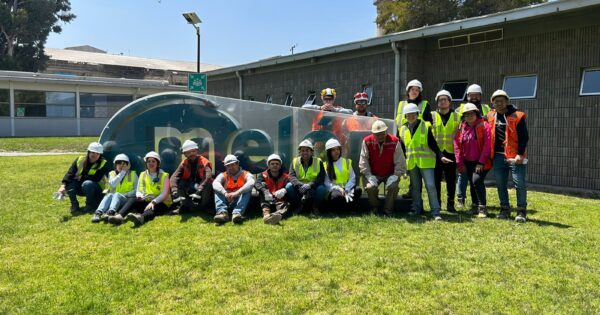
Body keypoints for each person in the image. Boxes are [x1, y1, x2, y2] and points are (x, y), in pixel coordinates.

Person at [399, 104, 451, 220]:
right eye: (409, 114)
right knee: (416, 188)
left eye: (413, 114)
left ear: (417, 115)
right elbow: (402, 148)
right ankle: (417, 209)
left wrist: (441, 156)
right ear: (405, 116)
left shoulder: (425, 126)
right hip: (412, 163)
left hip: (426, 162)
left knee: (431, 186)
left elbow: (433, 143)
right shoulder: (402, 129)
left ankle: (435, 212)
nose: (411, 116)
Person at [488, 90, 529, 223]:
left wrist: (520, 154)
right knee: (500, 184)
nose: (499, 104)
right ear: (493, 103)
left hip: (515, 157)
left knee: (519, 184)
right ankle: (504, 209)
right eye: (496, 101)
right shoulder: (490, 116)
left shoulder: (517, 116)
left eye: (501, 101)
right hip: (498, 157)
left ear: (507, 101)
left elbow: (524, 137)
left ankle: (521, 211)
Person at [109, 151, 171, 226]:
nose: (151, 163)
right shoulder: (143, 174)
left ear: (158, 163)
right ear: (146, 163)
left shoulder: (164, 175)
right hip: (146, 200)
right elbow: (139, 189)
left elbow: (164, 194)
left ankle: (141, 218)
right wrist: (139, 195)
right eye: (148, 161)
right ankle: (119, 216)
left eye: (153, 161)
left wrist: (153, 202)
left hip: (161, 203)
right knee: (133, 199)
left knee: (152, 208)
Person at [359, 120, 406, 215]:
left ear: (386, 132)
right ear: (372, 133)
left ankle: (388, 209)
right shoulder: (367, 141)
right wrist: (368, 175)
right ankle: (375, 207)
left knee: (393, 187)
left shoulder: (395, 141)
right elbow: (363, 160)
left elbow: (400, 161)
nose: (380, 136)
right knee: (370, 187)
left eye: (382, 133)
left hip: (390, 173)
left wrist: (396, 175)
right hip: (373, 174)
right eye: (377, 134)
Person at [456, 84, 492, 208]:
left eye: (477, 95)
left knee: (476, 181)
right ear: (467, 96)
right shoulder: (460, 112)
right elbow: (457, 141)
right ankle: (472, 203)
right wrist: (459, 161)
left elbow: (488, 142)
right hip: (467, 157)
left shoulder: (486, 109)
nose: (475, 97)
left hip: (481, 157)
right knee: (470, 181)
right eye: (472, 95)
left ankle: (481, 205)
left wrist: (481, 161)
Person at [395, 79, 432, 199]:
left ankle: (414, 193)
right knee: (405, 165)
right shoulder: (401, 104)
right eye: (412, 89)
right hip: (403, 139)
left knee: (415, 169)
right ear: (408, 91)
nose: (414, 92)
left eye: (417, 90)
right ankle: (401, 189)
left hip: (418, 142)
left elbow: (428, 123)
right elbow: (397, 122)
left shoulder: (424, 104)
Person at [58, 142, 109, 214]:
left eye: (98, 153)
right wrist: (62, 186)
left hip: (96, 188)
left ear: (100, 154)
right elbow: (70, 174)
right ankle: (74, 205)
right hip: (81, 187)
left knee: (87, 183)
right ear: (88, 152)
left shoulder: (103, 163)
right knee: (69, 183)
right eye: (93, 152)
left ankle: (89, 205)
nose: (95, 155)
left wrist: (81, 177)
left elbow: (96, 178)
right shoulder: (80, 160)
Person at [431, 90, 460, 213]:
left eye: (445, 99)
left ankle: (450, 203)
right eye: (440, 100)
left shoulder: (457, 116)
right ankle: (437, 203)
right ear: (437, 103)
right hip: (436, 153)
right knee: (436, 179)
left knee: (451, 180)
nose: (442, 102)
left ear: (449, 102)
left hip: (451, 152)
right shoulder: (431, 115)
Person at [169, 139, 213, 215]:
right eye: (189, 152)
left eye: (193, 151)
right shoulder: (184, 163)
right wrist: (174, 191)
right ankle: (185, 206)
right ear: (184, 154)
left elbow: (207, 177)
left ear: (197, 151)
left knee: (208, 184)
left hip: (201, 187)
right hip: (191, 186)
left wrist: (199, 190)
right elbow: (174, 177)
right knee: (181, 183)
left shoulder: (204, 161)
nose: (192, 153)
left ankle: (205, 207)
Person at [91, 154, 138, 223]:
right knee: (109, 195)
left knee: (117, 194)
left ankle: (111, 213)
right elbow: (112, 184)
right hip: (114, 199)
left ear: (128, 165)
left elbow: (136, 190)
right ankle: (98, 213)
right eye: (118, 163)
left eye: (123, 164)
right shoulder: (112, 174)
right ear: (115, 165)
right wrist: (122, 173)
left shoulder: (133, 174)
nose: (121, 166)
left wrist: (125, 194)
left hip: (126, 199)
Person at [287, 139, 327, 214]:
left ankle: (314, 207)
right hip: (299, 187)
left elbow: (321, 177)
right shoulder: (295, 161)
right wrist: (300, 185)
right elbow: (291, 176)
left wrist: (310, 185)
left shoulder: (318, 161)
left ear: (312, 152)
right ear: (299, 152)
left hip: (313, 187)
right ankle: (299, 206)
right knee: (288, 186)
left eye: (307, 150)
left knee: (322, 189)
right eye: (302, 150)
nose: (305, 152)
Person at [212, 154, 255, 224]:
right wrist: (225, 193)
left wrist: (237, 193)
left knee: (248, 190)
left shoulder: (246, 174)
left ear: (237, 163)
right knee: (217, 190)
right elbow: (215, 183)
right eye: (228, 166)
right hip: (226, 200)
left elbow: (251, 183)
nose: (230, 167)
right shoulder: (223, 175)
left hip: (238, 201)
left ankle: (237, 214)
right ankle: (222, 213)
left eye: (232, 164)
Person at [323, 138, 362, 211]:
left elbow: (352, 177)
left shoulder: (346, 162)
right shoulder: (325, 165)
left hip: (347, 188)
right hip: (334, 190)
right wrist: (339, 189)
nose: (336, 152)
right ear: (328, 152)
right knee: (337, 197)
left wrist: (347, 188)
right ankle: (344, 208)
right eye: (333, 150)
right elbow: (327, 183)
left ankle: (347, 208)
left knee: (358, 190)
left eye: (337, 149)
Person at [254, 154, 292, 225]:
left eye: (277, 164)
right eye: (272, 164)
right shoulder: (263, 175)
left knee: (287, 205)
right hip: (267, 200)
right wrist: (265, 191)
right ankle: (266, 214)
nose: (275, 165)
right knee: (262, 184)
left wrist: (284, 190)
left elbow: (290, 185)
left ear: (280, 166)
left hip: (280, 201)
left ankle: (275, 216)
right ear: (268, 165)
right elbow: (257, 184)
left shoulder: (286, 176)